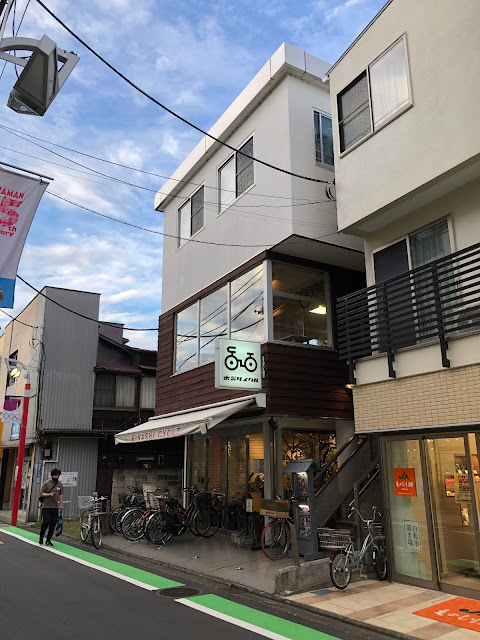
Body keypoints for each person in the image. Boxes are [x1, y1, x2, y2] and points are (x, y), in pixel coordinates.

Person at [39, 468, 63, 546]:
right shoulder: (46, 483)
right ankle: (41, 537)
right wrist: (49, 494)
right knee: (46, 522)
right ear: (52, 475)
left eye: (58, 475)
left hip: (55, 506)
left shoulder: (60, 484)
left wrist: (61, 504)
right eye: (55, 475)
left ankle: (48, 539)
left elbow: (61, 494)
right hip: (46, 506)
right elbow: (41, 493)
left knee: (53, 524)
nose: (57, 477)